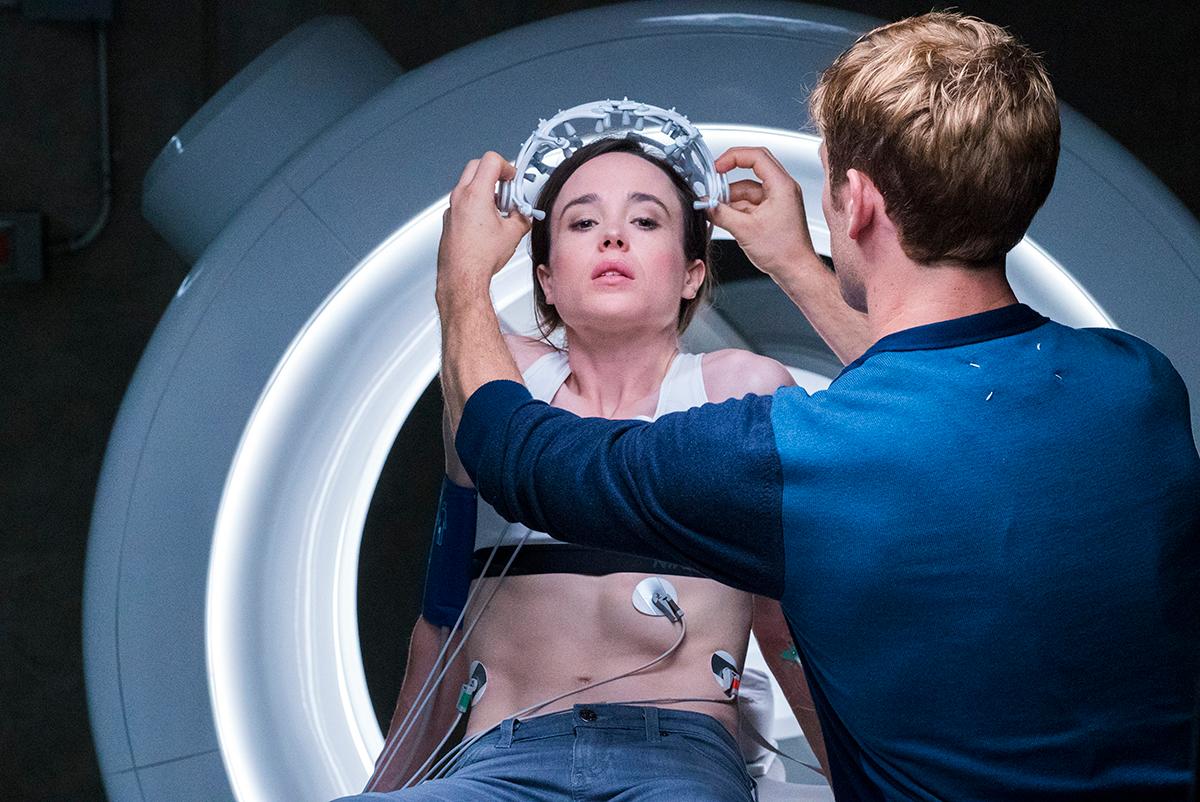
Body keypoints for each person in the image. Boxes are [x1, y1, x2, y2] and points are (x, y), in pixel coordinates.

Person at [435, 12, 1200, 802]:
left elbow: (515, 454)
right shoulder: (1140, 389)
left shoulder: (788, 459)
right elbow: (945, 394)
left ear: (856, 202)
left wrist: (461, 281)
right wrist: (798, 263)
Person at [346, 136, 826, 801]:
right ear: (545, 278)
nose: (613, 237)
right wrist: (379, 792)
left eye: (646, 220)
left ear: (692, 273)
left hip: (679, 760)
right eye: (582, 221)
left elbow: (786, 628)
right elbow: (442, 618)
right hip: (501, 760)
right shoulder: (498, 381)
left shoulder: (742, 392)